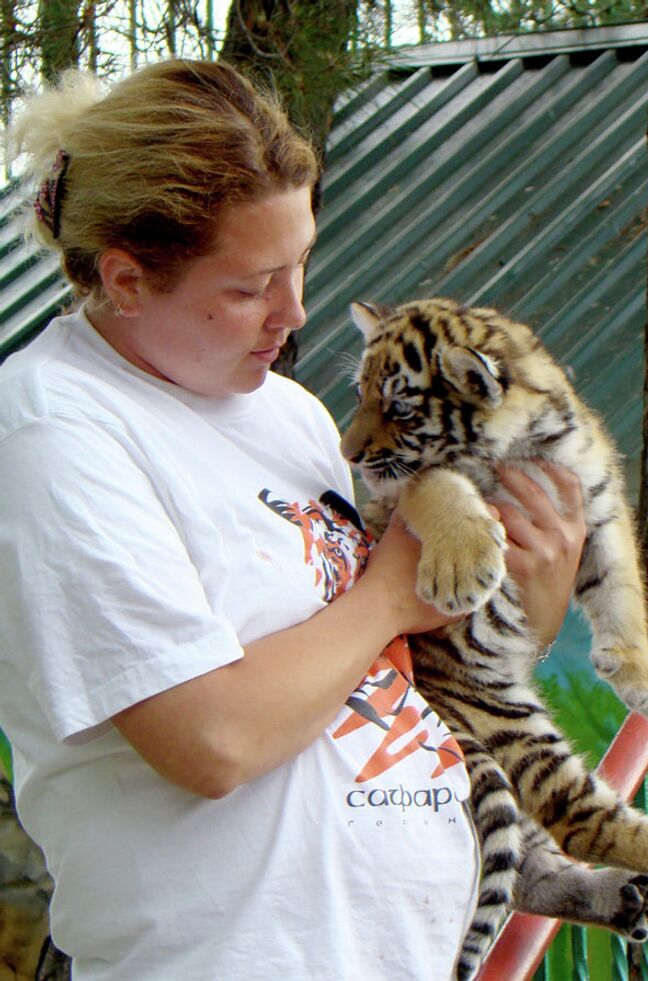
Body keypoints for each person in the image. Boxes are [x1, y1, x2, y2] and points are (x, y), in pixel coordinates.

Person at [0, 59, 586, 980]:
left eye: (301, 260)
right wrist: (395, 586)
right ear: (124, 279)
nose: (295, 310)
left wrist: (528, 607)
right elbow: (213, 739)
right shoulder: (51, 427)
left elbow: (388, 676)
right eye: (250, 285)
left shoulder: (289, 413)